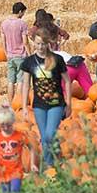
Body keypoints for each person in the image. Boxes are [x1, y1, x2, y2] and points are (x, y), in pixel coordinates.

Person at [19, 26, 71, 168]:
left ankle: (50, 165)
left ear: (48, 43)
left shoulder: (57, 59)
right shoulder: (29, 62)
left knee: (49, 135)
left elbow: (67, 81)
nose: (40, 47)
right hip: (39, 105)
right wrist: (24, 106)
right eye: (37, 44)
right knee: (45, 138)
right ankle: (53, 163)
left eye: (43, 44)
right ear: (33, 43)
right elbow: (25, 85)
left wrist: (69, 103)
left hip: (56, 103)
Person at [0, 105, 37, 193]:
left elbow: (31, 148)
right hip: (3, 171)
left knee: (15, 191)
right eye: (3, 125)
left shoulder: (20, 136)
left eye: (8, 125)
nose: (6, 128)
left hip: (16, 171)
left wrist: (32, 164)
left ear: (12, 122)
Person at [0, 2, 30, 105]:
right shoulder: (22, 24)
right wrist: (29, 54)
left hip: (10, 56)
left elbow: (3, 41)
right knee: (21, 81)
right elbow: (25, 42)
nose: (23, 15)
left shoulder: (4, 23)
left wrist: (6, 53)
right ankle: (18, 103)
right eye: (23, 12)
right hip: (21, 56)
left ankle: (10, 102)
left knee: (10, 81)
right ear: (20, 11)